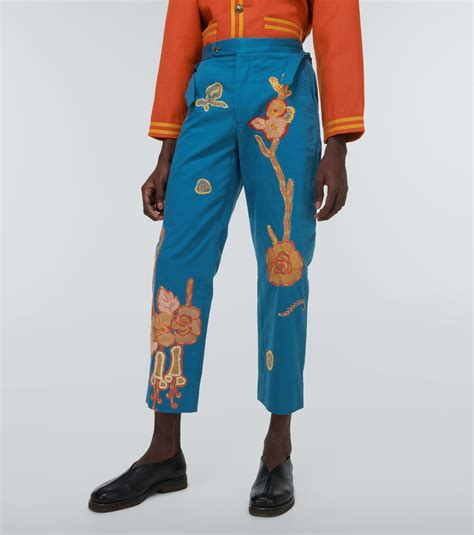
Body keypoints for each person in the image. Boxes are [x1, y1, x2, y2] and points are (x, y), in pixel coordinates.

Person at [89, 0, 364, 517]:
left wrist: (338, 143)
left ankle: (278, 448)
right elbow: (179, 37)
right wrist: (166, 153)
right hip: (209, 94)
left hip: (282, 88)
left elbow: (337, 28)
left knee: (284, 263)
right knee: (176, 263)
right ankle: (164, 452)